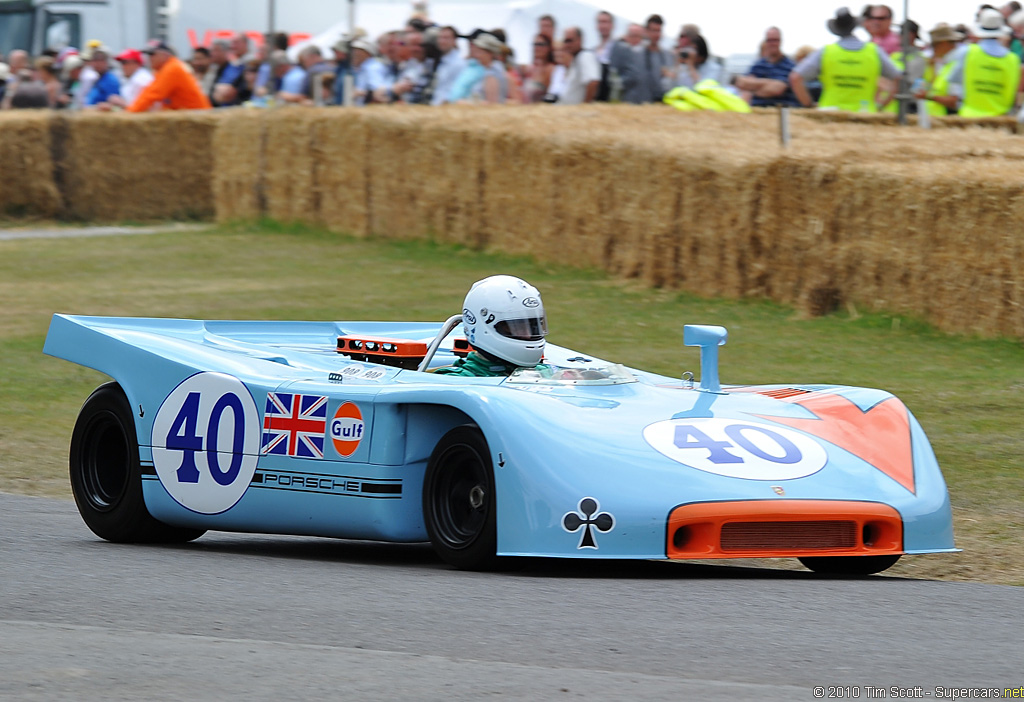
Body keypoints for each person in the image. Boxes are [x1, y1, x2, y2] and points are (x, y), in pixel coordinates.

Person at [789, 7, 901, 111]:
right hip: (864, 114)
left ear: (836, 29)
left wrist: (808, 105)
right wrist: (881, 105)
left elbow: (795, 77)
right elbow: (899, 78)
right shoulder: (874, 51)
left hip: (830, 114)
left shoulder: (826, 52)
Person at [434, 276, 547, 377]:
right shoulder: (454, 380)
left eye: (533, 327)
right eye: (518, 328)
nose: (528, 334)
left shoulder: (545, 373)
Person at [948, 7, 1021, 116]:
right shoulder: (1013, 59)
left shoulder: (967, 52)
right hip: (1001, 119)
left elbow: (953, 80)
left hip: (969, 116)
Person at [127, 42, 212, 112]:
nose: (149, 58)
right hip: (190, 116)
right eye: (148, 55)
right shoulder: (166, 68)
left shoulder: (172, 68)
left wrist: (130, 112)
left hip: (196, 115)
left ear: (164, 55)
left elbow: (152, 94)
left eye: (152, 54)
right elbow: (151, 93)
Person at [735, 27, 798, 106]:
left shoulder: (790, 66)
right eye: (769, 40)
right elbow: (742, 82)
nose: (772, 43)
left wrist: (752, 88)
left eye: (775, 40)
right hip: (757, 111)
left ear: (781, 41)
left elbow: (777, 89)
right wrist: (768, 84)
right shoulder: (758, 65)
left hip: (779, 112)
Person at [913, 23, 964, 116]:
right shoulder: (945, 64)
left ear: (943, 43)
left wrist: (928, 96)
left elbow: (955, 102)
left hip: (945, 120)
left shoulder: (956, 65)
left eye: (933, 45)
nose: (933, 49)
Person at [559, 26, 601, 104]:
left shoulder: (585, 56)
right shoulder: (576, 59)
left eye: (570, 40)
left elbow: (593, 82)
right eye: (565, 41)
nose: (567, 45)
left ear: (580, 40)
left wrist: (585, 106)